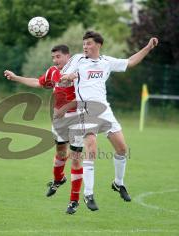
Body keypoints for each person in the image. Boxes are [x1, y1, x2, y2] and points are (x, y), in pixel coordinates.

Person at [61, 31, 158, 206]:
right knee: (91, 147)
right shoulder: (78, 60)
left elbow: (130, 62)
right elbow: (62, 77)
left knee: (122, 149)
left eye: (89, 44)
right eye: (84, 44)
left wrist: (148, 47)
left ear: (98, 45)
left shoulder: (106, 62)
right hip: (85, 110)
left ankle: (118, 183)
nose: (85, 47)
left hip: (105, 111)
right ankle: (88, 194)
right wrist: (68, 77)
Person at [4, 45, 86, 214]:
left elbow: (91, 82)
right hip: (59, 119)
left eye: (58, 57)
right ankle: (58, 179)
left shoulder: (81, 69)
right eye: (53, 57)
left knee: (76, 158)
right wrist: (15, 77)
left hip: (78, 118)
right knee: (61, 153)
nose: (55, 60)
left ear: (67, 56)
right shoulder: (52, 71)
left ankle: (74, 201)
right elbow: (37, 82)